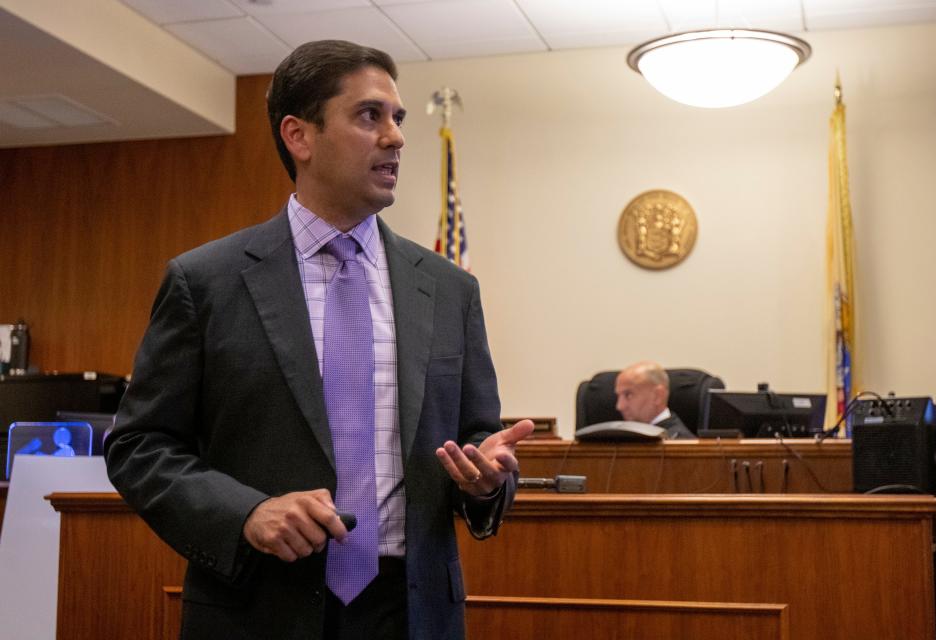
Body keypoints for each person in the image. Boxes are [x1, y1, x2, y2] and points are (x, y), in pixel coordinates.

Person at [105, 39, 533, 640]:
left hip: (412, 612)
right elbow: (140, 446)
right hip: (260, 606)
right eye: (369, 116)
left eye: (398, 118)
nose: (396, 137)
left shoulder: (448, 288)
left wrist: (490, 475)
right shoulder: (206, 282)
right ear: (299, 136)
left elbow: (478, 435)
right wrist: (246, 513)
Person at [614, 361, 694, 439]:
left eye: (628, 395)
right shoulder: (621, 439)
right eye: (618, 396)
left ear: (658, 396)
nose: (620, 406)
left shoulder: (679, 444)